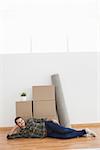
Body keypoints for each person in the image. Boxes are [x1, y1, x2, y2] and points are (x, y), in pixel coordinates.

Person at [7, 117, 96, 139]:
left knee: (64, 130)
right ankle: (82, 133)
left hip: (47, 125)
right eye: (19, 122)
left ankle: (85, 131)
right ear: (17, 125)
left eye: (21, 120)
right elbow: (9, 136)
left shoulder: (30, 120)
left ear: (23, 120)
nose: (21, 122)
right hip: (47, 134)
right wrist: (14, 128)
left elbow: (41, 119)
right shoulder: (22, 133)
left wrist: (51, 120)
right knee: (64, 137)